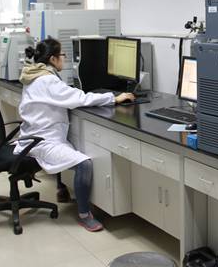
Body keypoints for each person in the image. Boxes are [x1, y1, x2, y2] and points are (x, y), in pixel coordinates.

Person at [13, 37, 135, 232]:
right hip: (42, 141)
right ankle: (85, 215)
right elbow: (80, 98)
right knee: (84, 163)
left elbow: (66, 96)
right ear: (53, 59)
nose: (65, 58)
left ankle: (62, 189)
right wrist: (113, 98)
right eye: (62, 54)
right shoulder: (47, 80)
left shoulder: (34, 74)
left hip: (34, 136)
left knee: (69, 146)